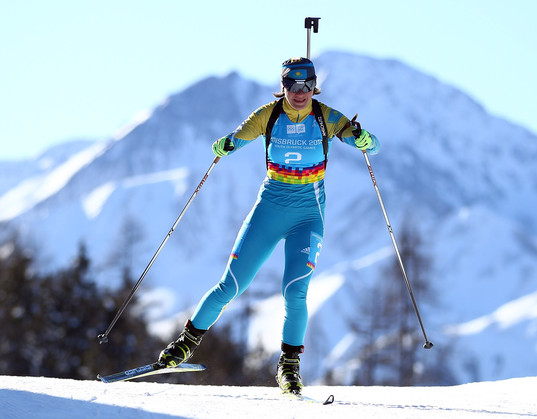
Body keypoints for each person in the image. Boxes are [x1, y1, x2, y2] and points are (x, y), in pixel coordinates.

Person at [158, 57, 379, 394]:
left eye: (307, 86)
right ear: (283, 86)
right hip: (268, 212)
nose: (300, 93)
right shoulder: (268, 115)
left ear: (315, 87)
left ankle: (289, 367)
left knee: (295, 292)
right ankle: (186, 343)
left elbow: (371, 144)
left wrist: (364, 140)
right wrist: (225, 145)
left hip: (307, 217)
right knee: (230, 285)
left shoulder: (327, 118)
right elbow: (236, 138)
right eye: (293, 85)